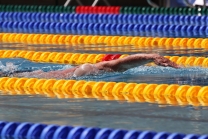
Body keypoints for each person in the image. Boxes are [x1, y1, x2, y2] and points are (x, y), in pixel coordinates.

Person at [5, 53, 179, 79]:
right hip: (75, 75)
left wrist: (150, 57)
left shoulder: (92, 68)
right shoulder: (96, 68)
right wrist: (151, 56)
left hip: (66, 75)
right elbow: (119, 63)